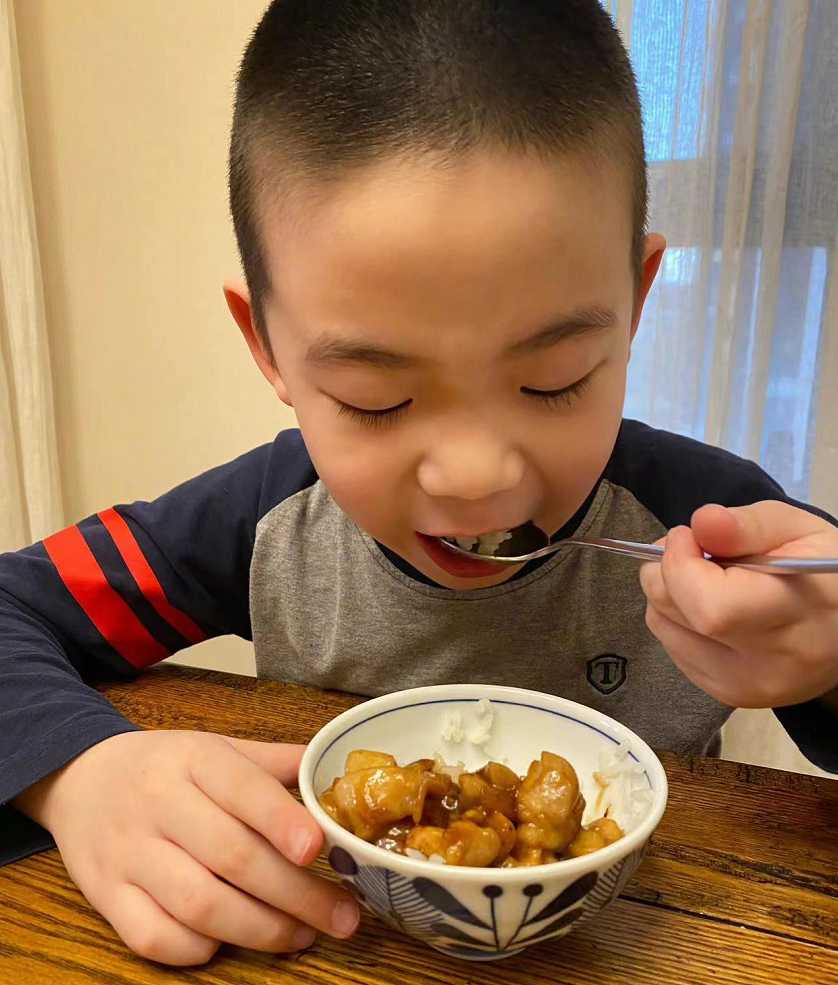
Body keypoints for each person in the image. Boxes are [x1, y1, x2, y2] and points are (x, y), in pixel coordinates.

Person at [1, 0, 836, 968]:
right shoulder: (259, 519)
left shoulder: (711, 520)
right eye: (377, 397)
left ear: (637, 301)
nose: (474, 477)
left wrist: (824, 666)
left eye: (552, 381)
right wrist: (77, 771)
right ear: (267, 346)